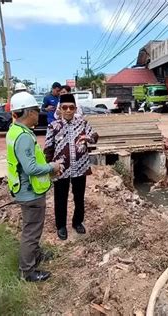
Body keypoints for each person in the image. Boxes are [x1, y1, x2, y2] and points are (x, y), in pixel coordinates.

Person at [6, 91, 62, 282]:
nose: (39, 115)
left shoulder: (14, 131)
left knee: (32, 228)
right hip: (30, 193)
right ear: (29, 112)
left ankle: (35, 256)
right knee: (31, 232)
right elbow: (30, 168)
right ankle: (27, 271)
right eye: (37, 111)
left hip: (23, 189)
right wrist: (52, 167)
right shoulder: (23, 137)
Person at [44, 93, 98, 240]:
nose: (68, 110)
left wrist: (88, 138)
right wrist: (49, 167)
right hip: (60, 169)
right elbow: (48, 148)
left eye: (71, 107)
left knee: (79, 197)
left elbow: (94, 137)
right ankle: (61, 226)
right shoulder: (53, 126)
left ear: (75, 109)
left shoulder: (83, 123)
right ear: (60, 109)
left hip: (80, 168)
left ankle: (77, 222)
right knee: (60, 198)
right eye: (65, 107)